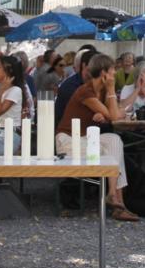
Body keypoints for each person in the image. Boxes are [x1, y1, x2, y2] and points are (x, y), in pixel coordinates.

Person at [55, 53, 138, 222]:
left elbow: (114, 113)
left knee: (115, 141)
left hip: (85, 139)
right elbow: (116, 116)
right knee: (111, 152)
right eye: (113, 71)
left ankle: (113, 195)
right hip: (69, 141)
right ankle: (116, 201)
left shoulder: (101, 92)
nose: (115, 74)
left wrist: (110, 108)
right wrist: (111, 94)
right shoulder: (86, 91)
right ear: (104, 73)